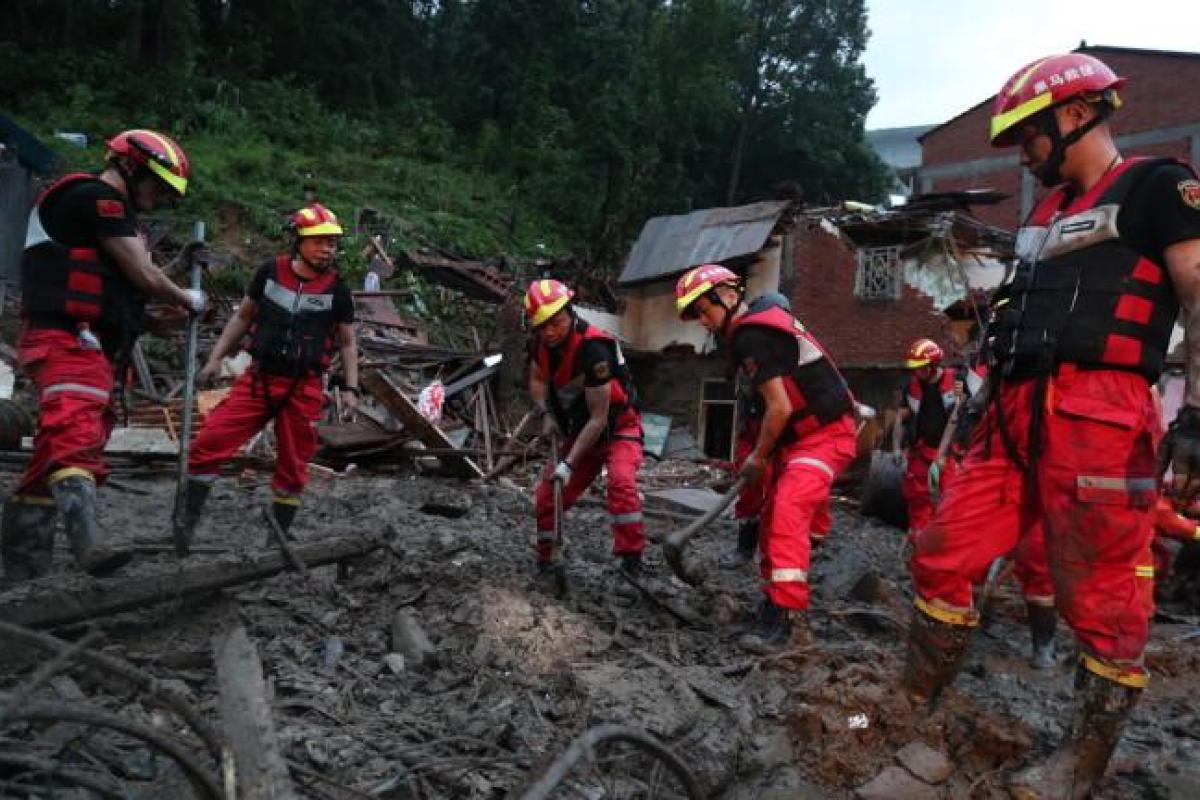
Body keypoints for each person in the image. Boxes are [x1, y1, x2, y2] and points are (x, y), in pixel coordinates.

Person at [903, 52, 1200, 799]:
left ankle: (1081, 763)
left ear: (1075, 116)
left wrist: (1197, 414)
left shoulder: (1159, 188)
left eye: (1029, 137)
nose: (1023, 156)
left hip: (1100, 414)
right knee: (942, 549)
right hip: (1011, 414)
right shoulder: (1041, 215)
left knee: (1101, 597)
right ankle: (912, 709)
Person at [1, 129, 206, 580]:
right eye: (158, 187)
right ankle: (87, 543)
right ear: (131, 167)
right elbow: (142, 274)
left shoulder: (105, 216)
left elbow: (126, 286)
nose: (157, 200)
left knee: (58, 450)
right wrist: (187, 297)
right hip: (69, 339)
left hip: (86, 340)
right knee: (74, 428)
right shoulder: (97, 199)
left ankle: (21, 567)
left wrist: (156, 312)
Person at [675, 265, 857, 652]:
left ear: (726, 294)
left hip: (824, 436)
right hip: (802, 441)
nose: (704, 323)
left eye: (703, 312)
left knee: (788, 509)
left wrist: (758, 459)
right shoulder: (754, 334)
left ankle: (785, 620)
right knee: (774, 520)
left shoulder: (752, 333)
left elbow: (780, 407)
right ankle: (772, 604)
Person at [173, 203, 358, 550]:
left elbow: (347, 343)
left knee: (293, 464)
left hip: (303, 387)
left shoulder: (338, 289)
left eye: (332, 243)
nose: (327, 249)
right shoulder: (269, 272)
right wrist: (216, 359)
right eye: (320, 241)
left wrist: (351, 387)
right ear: (298, 240)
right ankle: (186, 522)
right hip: (259, 380)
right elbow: (243, 318)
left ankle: (278, 537)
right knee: (208, 443)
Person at [524, 279, 645, 593]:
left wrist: (568, 464)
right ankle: (547, 561)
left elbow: (599, 417)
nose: (550, 332)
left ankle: (631, 560)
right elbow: (537, 379)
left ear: (570, 312)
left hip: (617, 428)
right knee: (547, 496)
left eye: (557, 322)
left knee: (620, 482)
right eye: (543, 326)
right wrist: (545, 413)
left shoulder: (594, 348)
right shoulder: (539, 343)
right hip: (579, 432)